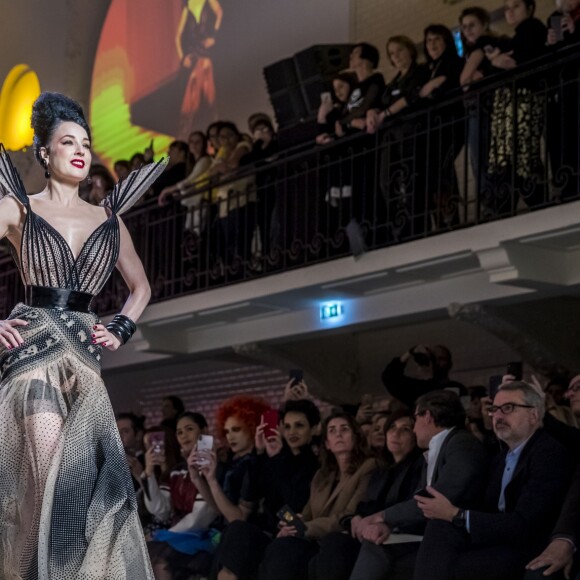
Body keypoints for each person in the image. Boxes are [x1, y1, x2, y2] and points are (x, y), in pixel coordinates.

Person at [0, 92, 167, 578]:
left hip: (83, 362)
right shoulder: (19, 209)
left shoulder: (109, 221)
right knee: (55, 475)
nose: (79, 150)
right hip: (31, 353)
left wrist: (121, 325)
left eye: (86, 144)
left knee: (62, 489)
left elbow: (141, 287)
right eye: (67, 142)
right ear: (44, 154)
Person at [413, 381, 573, 580]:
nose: (498, 416)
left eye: (508, 408)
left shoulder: (548, 453)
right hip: (498, 539)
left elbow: (524, 524)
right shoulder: (500, 458)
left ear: (534, 415)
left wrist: (457, 514)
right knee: (439, 527)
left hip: (528, 546)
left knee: (448, 566)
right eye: (494, 409)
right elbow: (485, 508)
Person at [347, 390, 488, 580]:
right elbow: (419, 500)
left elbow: (440, 497)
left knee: (375, 546)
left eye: (414, 422)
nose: (414, 430)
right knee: (375, 542)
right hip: (431, 533)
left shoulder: (462, 444)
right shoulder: (441, 447)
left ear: (427, 416)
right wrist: (386, 524)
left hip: (455, 534)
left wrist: (382, 516)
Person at [258, 412, 376, 580]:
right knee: (280, 545)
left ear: (356, 437)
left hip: (341, 542)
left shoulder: (369, 467)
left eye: (344, 429)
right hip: (314, 540)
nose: (338, 434)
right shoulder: (322, 474)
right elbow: (308, 512)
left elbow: (349, 515)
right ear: (327, 443)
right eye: (332, 431)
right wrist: (295, 523)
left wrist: (306, 528)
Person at [309, 410, 425, 580]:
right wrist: (356, 517)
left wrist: (379, 522)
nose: (396, 433)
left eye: (405, 429)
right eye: (391, 427)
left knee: (335, 543)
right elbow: (366, 506)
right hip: (366, 531)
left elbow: (412, 508)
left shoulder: (419, 467)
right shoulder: (382, 471)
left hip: (395, 534)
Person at [214, 399, 321, 580]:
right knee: (237, 530)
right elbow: (251, 494)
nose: (292, 432)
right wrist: (260, 453)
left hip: (301, 533)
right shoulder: (277, 457)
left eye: (299, 426)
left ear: (313, 429)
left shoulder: (317, 464)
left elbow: (294, 502)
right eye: (286, 426)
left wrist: (277, 460)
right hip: (272, 531)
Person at [382, 344, 467, 408]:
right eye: (433, 358)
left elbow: (467, 412)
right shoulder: (416, 388)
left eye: (441, 359)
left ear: (450, 364)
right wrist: (410, 353)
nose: (436, 362)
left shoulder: (459, 388)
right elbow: (389, 377)